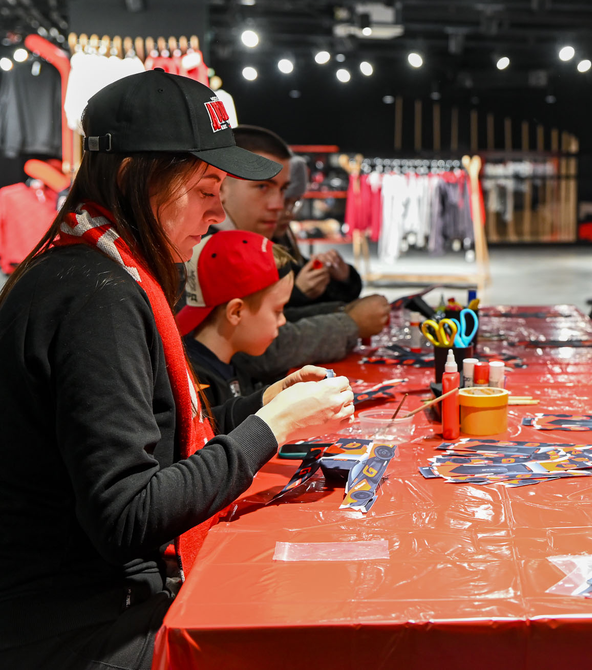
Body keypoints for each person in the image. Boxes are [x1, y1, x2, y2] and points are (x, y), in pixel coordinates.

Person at [0, 69, 355, 670]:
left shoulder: (92, 268)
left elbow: (149, 432)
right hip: (80, 627)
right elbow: (128, 514)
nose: (218, 212)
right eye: (205, 186)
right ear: (129, 175)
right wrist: (267, 431)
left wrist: (262, 406)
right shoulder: (95, 295)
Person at [212, 125, 389, 382]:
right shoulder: (207, 251)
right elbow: (257, 351)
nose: (278, 206)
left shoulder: (241, 241)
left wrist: (343, 309)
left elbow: (273, 323)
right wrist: (349, 322)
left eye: (284, 191)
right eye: (263, 187)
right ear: (222, 186)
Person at [178, 230, 296, 408]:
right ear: (236, 312)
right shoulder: (196, 383)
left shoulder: (232, 362)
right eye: (278, 310)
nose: (283, 321)